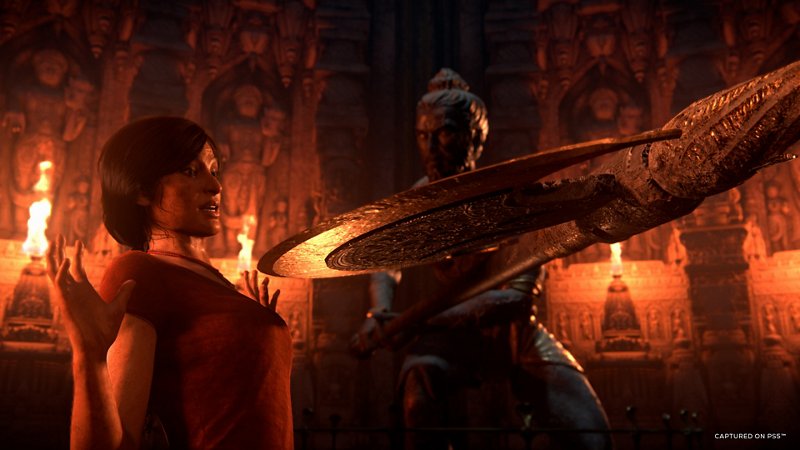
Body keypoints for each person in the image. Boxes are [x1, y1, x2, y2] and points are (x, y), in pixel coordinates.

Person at [350, 69, 611, 450]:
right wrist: (379, 312)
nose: (431, 147)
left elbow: (516, 299)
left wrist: (415, 321)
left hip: (514, 337)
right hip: (452, 339)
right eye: (422, 135)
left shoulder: (512, 196)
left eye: (444, 133)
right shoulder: (420, 199)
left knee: (591, 437)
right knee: (417, 396)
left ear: (475, 137)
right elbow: (386, 260)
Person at [46, 116, 293, 450]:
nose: (215, 186)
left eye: (214, 170)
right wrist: (90, 356)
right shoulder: (138, 272)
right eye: (190, 171)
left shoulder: (224, 284)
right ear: (141, 190)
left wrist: (256, 323)